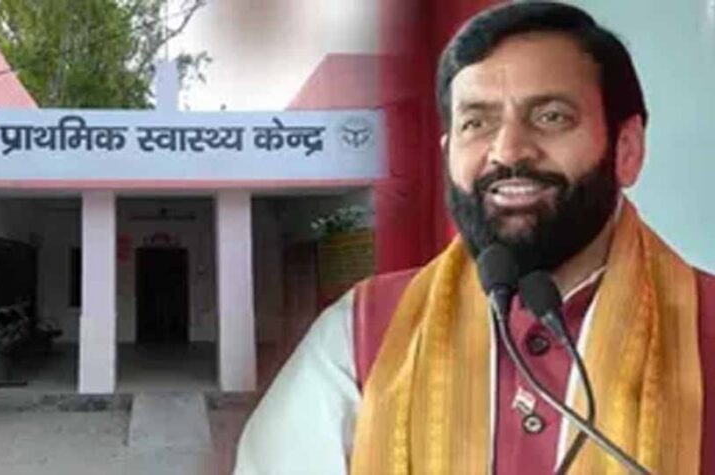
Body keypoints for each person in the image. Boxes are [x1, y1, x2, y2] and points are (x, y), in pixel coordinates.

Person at [234, 2, 715, 474]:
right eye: (476, 123)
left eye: (551, 116)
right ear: (448, 155)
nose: (508, 151)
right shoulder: (358, 338)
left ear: (627, 150)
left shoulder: (705, 326)